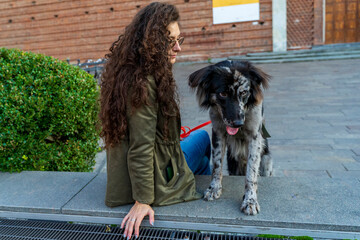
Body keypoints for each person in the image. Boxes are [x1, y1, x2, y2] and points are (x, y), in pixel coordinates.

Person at [99, 2, 211, 240]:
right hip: (156, 173)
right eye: (170, 42)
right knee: (202, 139)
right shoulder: (144, 83)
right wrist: (142, 201)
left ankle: (195, 180)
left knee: (199, 156)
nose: (178, 48)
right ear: (152, 43)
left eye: (180, 39)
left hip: (149, 165)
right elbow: (141, 146)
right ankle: (205, 201)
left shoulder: (129, 71)